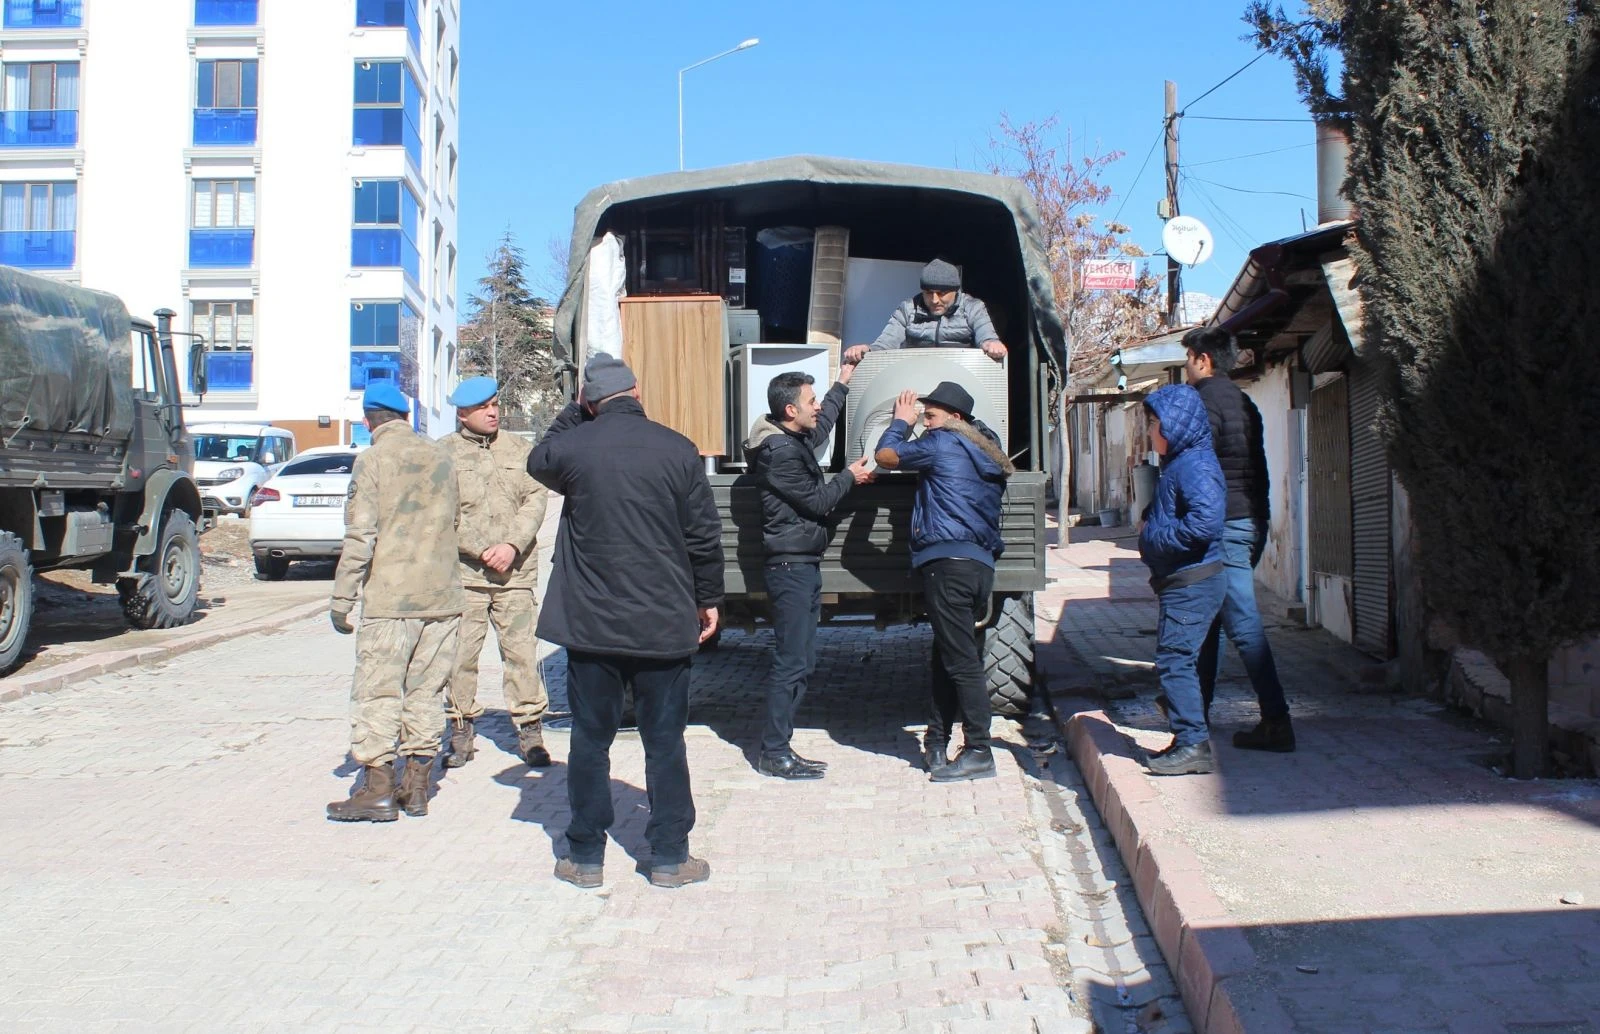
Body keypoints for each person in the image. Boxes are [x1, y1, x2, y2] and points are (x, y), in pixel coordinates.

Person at [528, 354, 724, 890]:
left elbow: (537, 457)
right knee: (666, 742)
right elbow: (703, 536)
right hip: (662, 624)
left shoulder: (572, 448)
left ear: (590, 400)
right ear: (637, 392)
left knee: (591, 741)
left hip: (592, 628)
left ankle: (586, 857)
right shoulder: (678, 448)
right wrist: (708, 597)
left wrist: (573, 413)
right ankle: (668, 857)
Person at [326, 382, 464, 821]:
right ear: (405, 416)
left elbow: (361, 534)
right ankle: (417, 787)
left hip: (391, 600)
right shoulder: (442, 456)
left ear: (370, 421)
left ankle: (377, 791)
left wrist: (342, 597)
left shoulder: (373, 460)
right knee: (427, 693)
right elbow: (455, 520)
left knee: (378, 693)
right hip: (443, 596)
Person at [874, 381, 1013, 782]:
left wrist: (900, 423)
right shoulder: (984, 448)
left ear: (955, 418)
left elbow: (886, 457)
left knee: (962, 662)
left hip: (947, 564)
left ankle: (980, 751)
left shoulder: (943, 442)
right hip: (978, 566)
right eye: (923, 417)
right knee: (948, 655)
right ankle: (938, 740)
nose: (926, 423)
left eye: (931, 416)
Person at [742, 365, 874, 780]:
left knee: (802, 659)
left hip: (801, 563)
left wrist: (842, 382)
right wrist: (851, 475)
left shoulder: (791, 440)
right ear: (788, 409)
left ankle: (780, 746)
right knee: (791, 661)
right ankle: (774, 751)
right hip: (790, 567)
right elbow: (817, 502)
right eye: (811, 402)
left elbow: (821, 429)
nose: (817, 408)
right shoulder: (779, 454)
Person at [1180, 327, 1294, 751]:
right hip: (1250, 521)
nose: (1187, 368)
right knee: (1210, 621)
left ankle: (1277, 721)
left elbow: (1196, 472)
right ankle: (1196, 711)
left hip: (1223, 527)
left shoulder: (1201, 404)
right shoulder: (1245, 403)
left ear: (1202, 359)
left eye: (1188, 359)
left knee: (1243, 624)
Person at [440, 376, 553, 770]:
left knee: (521, 654)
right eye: (483, 407)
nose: (493, 412)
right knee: (459, 658)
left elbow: (535, 499)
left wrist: (511, 546)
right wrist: (481, 550)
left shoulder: (521, 450)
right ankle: (460, 730)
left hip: (514, 575)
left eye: (495, 404)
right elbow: (443, 514)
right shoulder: (443, 455)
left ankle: (530, 730)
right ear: (462, 413)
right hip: (465, 575)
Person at [1137, 383, 1227, 776]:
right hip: (1184, 580)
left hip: (1193, 580)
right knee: (1180, 661)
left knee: (1175, 661)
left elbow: (1205, 522)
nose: (1150, 432)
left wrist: (1155, 537)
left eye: (1154, 423)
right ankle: (1185, 735)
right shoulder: (1181, 462)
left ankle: (1193, 744)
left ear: (1173, 426)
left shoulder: (1195, 464)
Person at [843, 259, 1007, 364]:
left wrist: (991, 344)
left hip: (960, 381)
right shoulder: (907, 309)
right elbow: (885, 344)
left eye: (942, 293)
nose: (935, 300)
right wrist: (867, 350)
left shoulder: (973, 307)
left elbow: (987, 336)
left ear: (956, 291)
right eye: (929, 292)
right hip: (916, 380)